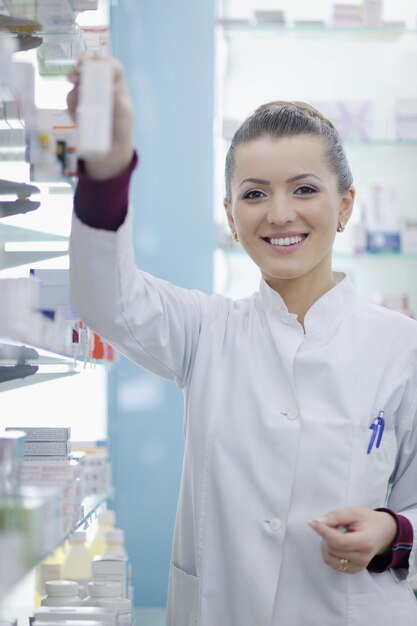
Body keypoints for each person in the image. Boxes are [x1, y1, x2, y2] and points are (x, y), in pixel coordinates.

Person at [67, 57, 417, 626]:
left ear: (346, 205)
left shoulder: (403, 346)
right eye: (254, 195)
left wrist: (393, 531)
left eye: (304, 188)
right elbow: (105, 295)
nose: (280, 214)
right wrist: (107, 170)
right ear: (231, 217)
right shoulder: (204, 330)